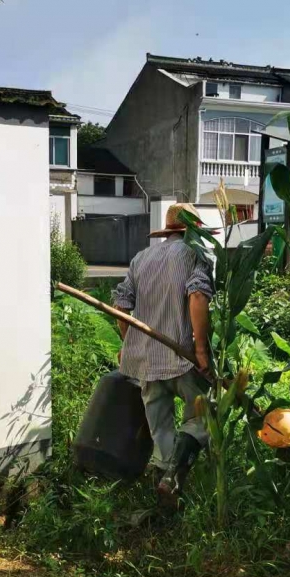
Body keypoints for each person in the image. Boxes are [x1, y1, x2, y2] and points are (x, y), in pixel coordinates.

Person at [113, 203, 214, 513]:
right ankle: (175, 478)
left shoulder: (141, 258)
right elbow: (197, 296)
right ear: (193, 229)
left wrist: (131, 341)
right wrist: (200, 349)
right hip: (182, 358)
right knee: (205, 414)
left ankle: (167, 497)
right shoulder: (196, 254)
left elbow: (120, 305)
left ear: (168, 229)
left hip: (147, 361)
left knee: (162, 429)